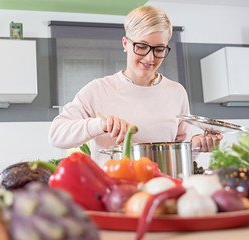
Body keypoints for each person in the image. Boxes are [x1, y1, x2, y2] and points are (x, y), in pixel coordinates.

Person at [48, 5, 223, 167]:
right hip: (113, 192)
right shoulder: (98, 90)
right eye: (141, 46)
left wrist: (198, 145)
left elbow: (181, 152)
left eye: (159, 49)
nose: (150, 58)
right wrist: (99, 124)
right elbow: (56, 135)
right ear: (125, 43)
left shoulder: (176, 92)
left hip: (161, 188)